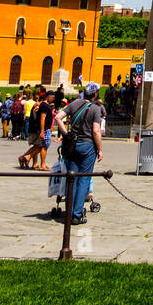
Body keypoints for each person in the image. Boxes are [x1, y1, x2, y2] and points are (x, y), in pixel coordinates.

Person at [54, 82, 104, 224]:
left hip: (73, 144)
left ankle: (68, 212)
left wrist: (66, 134)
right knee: (83, 180)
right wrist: (100, 149)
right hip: (88, 146)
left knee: (72, 179)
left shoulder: (74, 104)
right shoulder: (96, 109)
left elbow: (58, 117)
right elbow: (96, 131)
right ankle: (76, 215)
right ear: (95, 94)